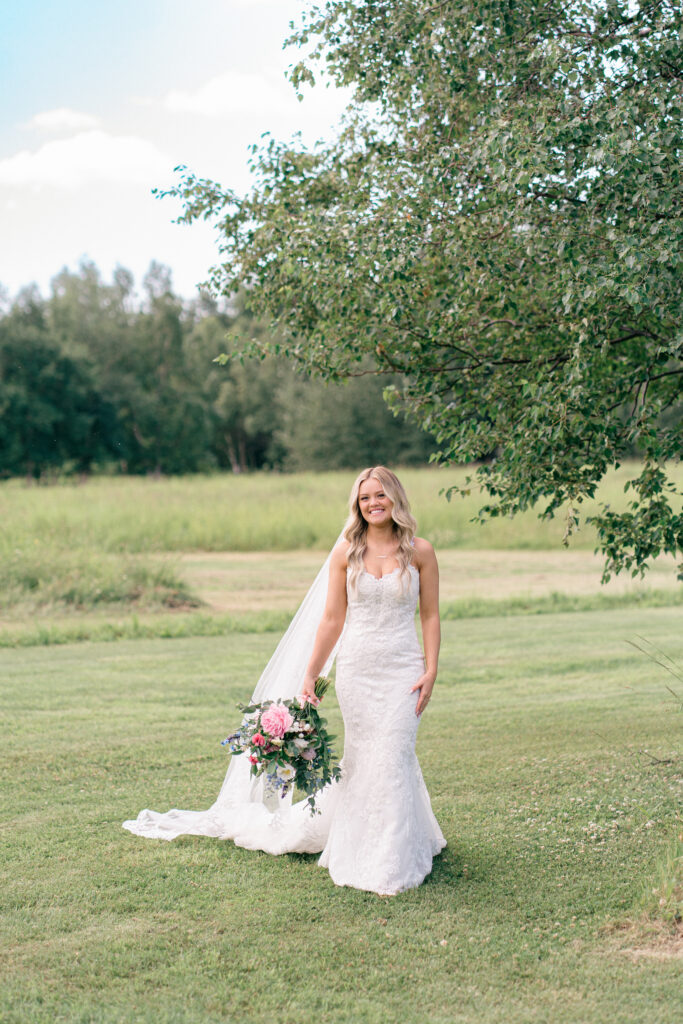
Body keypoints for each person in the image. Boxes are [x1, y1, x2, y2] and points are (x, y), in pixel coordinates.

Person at [123, 466, 446, 895]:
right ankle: (372, 850)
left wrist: (431, 667)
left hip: (403, 672)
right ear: (358, 505)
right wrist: (311, 673)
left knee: (395, 752)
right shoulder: (346, 553)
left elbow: (430, 614)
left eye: (381, 495)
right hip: (358, 673)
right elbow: (332, 620)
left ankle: (396, 853)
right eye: (365, 497)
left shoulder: (420, 551)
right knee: (369, 758)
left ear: (396, 499)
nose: (373, 503)